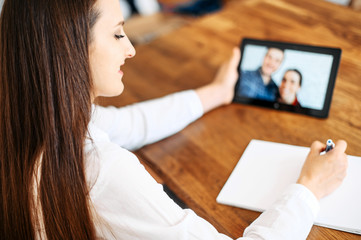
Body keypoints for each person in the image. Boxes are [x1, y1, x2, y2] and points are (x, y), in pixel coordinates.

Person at [0, 0, 348, 239]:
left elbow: (129, 123)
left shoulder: (33, 120)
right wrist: (309, 189)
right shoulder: (102, 170)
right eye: (118, 33)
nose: (131, 48)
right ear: (70, 47)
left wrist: (216, 92)